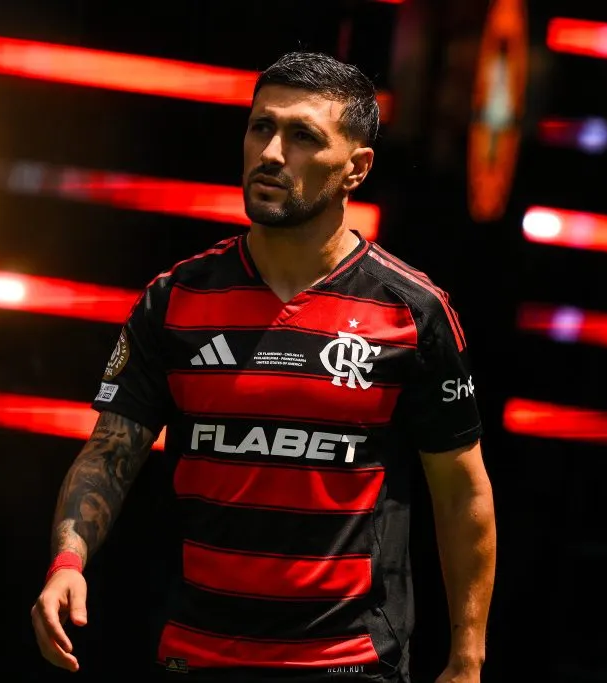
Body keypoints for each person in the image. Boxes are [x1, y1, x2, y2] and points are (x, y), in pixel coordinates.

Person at [30, 51, 497, 682]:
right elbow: (110, 452)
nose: (272, 152)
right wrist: (67, 564)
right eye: (261, 128)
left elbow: (462, 492)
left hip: (351, 664)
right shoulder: (175, 299)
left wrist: (467, 660)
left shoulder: (414, 311)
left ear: (357, 169)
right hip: (196, 655)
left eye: (303, 136)